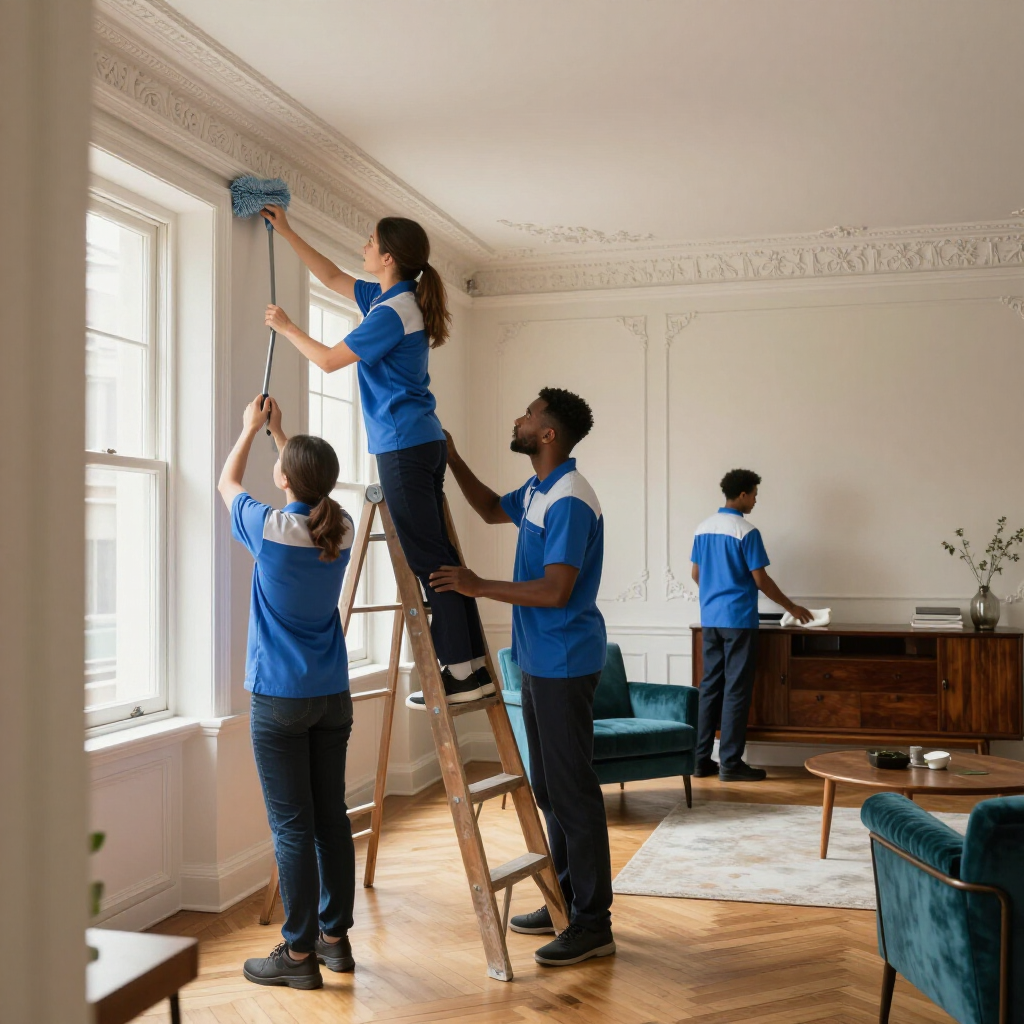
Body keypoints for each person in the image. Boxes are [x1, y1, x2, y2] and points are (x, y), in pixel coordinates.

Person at [259, 206, 491, 708]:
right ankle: (471, 667)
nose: (362, 247)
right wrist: (289, 232)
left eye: (369, 242)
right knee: (443, 557)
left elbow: (325, 361)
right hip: (420, 441)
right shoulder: (395, 298)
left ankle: (459, 675)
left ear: (388, 257)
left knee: (433, 565)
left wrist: (286, 326)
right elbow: (332, 276)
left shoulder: (390, 315)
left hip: (404, 447)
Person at [429, 388, 615, 968]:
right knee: (549, 789)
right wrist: (452, 458)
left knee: (572, 792)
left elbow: (557, 591)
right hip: (537, 660)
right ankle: (565, 898)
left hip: (563, 662)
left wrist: (476, 584)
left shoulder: (569, 499)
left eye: (529, 414)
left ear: (549, 433)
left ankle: (593, 923)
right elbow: (488, 508)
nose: (520, 417)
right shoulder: (537, 490)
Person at [218, 393, 357, 990]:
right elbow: (311, 487)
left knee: (293, 827)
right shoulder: (342, 527)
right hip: (332, 697)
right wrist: (284, 438)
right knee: (331, 818)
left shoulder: (270, 529)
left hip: (279, 700)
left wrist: (253, 430)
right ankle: (334, 942)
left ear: (283, 479)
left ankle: (297, 957)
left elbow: (225, 481)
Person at [690, 468, 812, 782]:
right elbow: (761, 580)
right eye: (755, 494)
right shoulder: (746, 531)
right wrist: (792, 607)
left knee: (709, 689)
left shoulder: (703, 529)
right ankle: (730, 763)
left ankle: (700, 761)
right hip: (739, 622)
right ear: (742, 494)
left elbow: (695, 574)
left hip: (710, 620)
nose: (756, 500)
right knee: (736, 691)